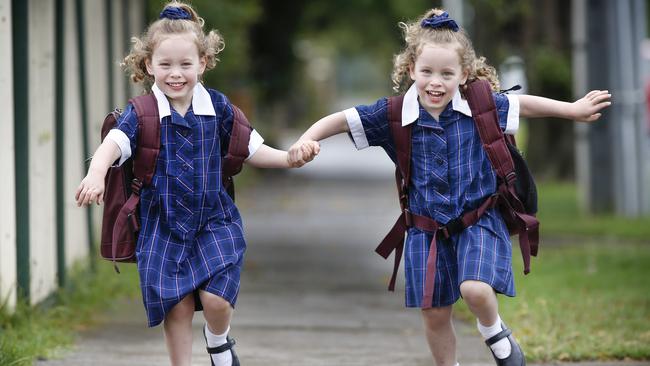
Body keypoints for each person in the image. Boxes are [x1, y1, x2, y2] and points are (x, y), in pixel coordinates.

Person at [288, 8, 611, 366]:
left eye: (446, 73)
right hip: (425, 232)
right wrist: (306, 140)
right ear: (411, 69)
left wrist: (573, 109)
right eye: (426, 72)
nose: (435, 82)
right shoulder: (394, 114)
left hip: (480, 221)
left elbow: (524, 105)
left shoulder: (480, 104)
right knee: (434, 314)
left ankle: (496, 335)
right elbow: (342, 120)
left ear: (465, 74)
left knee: (474, 289)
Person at [75, 2, 316, 366]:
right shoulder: (141, 113)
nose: (176, 74)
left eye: (185, 64)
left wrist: (288, 158)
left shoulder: (219, 109)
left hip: (213, 221)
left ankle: (218, 341)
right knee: (177, 305)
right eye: (165, 65)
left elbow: (253, 148)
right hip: (162, 225)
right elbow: (114, 144)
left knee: (218, 299)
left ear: (202, 63)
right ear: (148, 65)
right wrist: (96, 174)